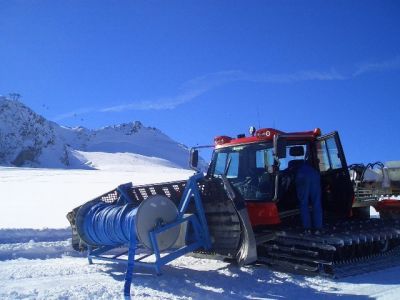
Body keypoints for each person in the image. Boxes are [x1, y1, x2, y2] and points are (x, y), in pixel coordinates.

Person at [295, 162, 323, 233]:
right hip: (315, 174)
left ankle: (307, 228)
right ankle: (318, 228)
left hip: (302, 176)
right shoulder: (310, 165)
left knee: (303, 203)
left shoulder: (295, 167)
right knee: (316, 203)